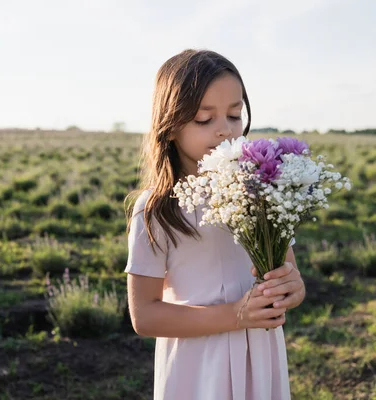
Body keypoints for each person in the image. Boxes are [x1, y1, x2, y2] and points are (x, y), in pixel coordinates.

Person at [124, 49, 306, 400]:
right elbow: (144, 316)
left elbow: (289, 277)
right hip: (198, 367)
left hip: (261, 356)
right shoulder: (157, 208)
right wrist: (235, 315)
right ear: (170, 125)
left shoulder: (263, 192)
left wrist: (292, 290)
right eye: (204, 119)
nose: (224, 130)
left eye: (235, 115)